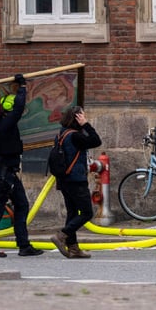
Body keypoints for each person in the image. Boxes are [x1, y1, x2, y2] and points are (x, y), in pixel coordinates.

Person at [0, 74, 44, 258]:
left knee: (21, 205)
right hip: (4, 173)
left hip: (5, 172)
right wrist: (22, 86)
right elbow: (19, 108)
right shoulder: (6, 123)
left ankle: (23, 245)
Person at [50, 105, 103, 258]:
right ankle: (62, 235)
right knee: (87, 213)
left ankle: (73, 248)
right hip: (76, 180)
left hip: (63, 180)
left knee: (72, 213)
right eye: (82, 116)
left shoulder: (61, 134)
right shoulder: (75, 136)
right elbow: (96, 141)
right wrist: (86, 124)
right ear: (77, 118)